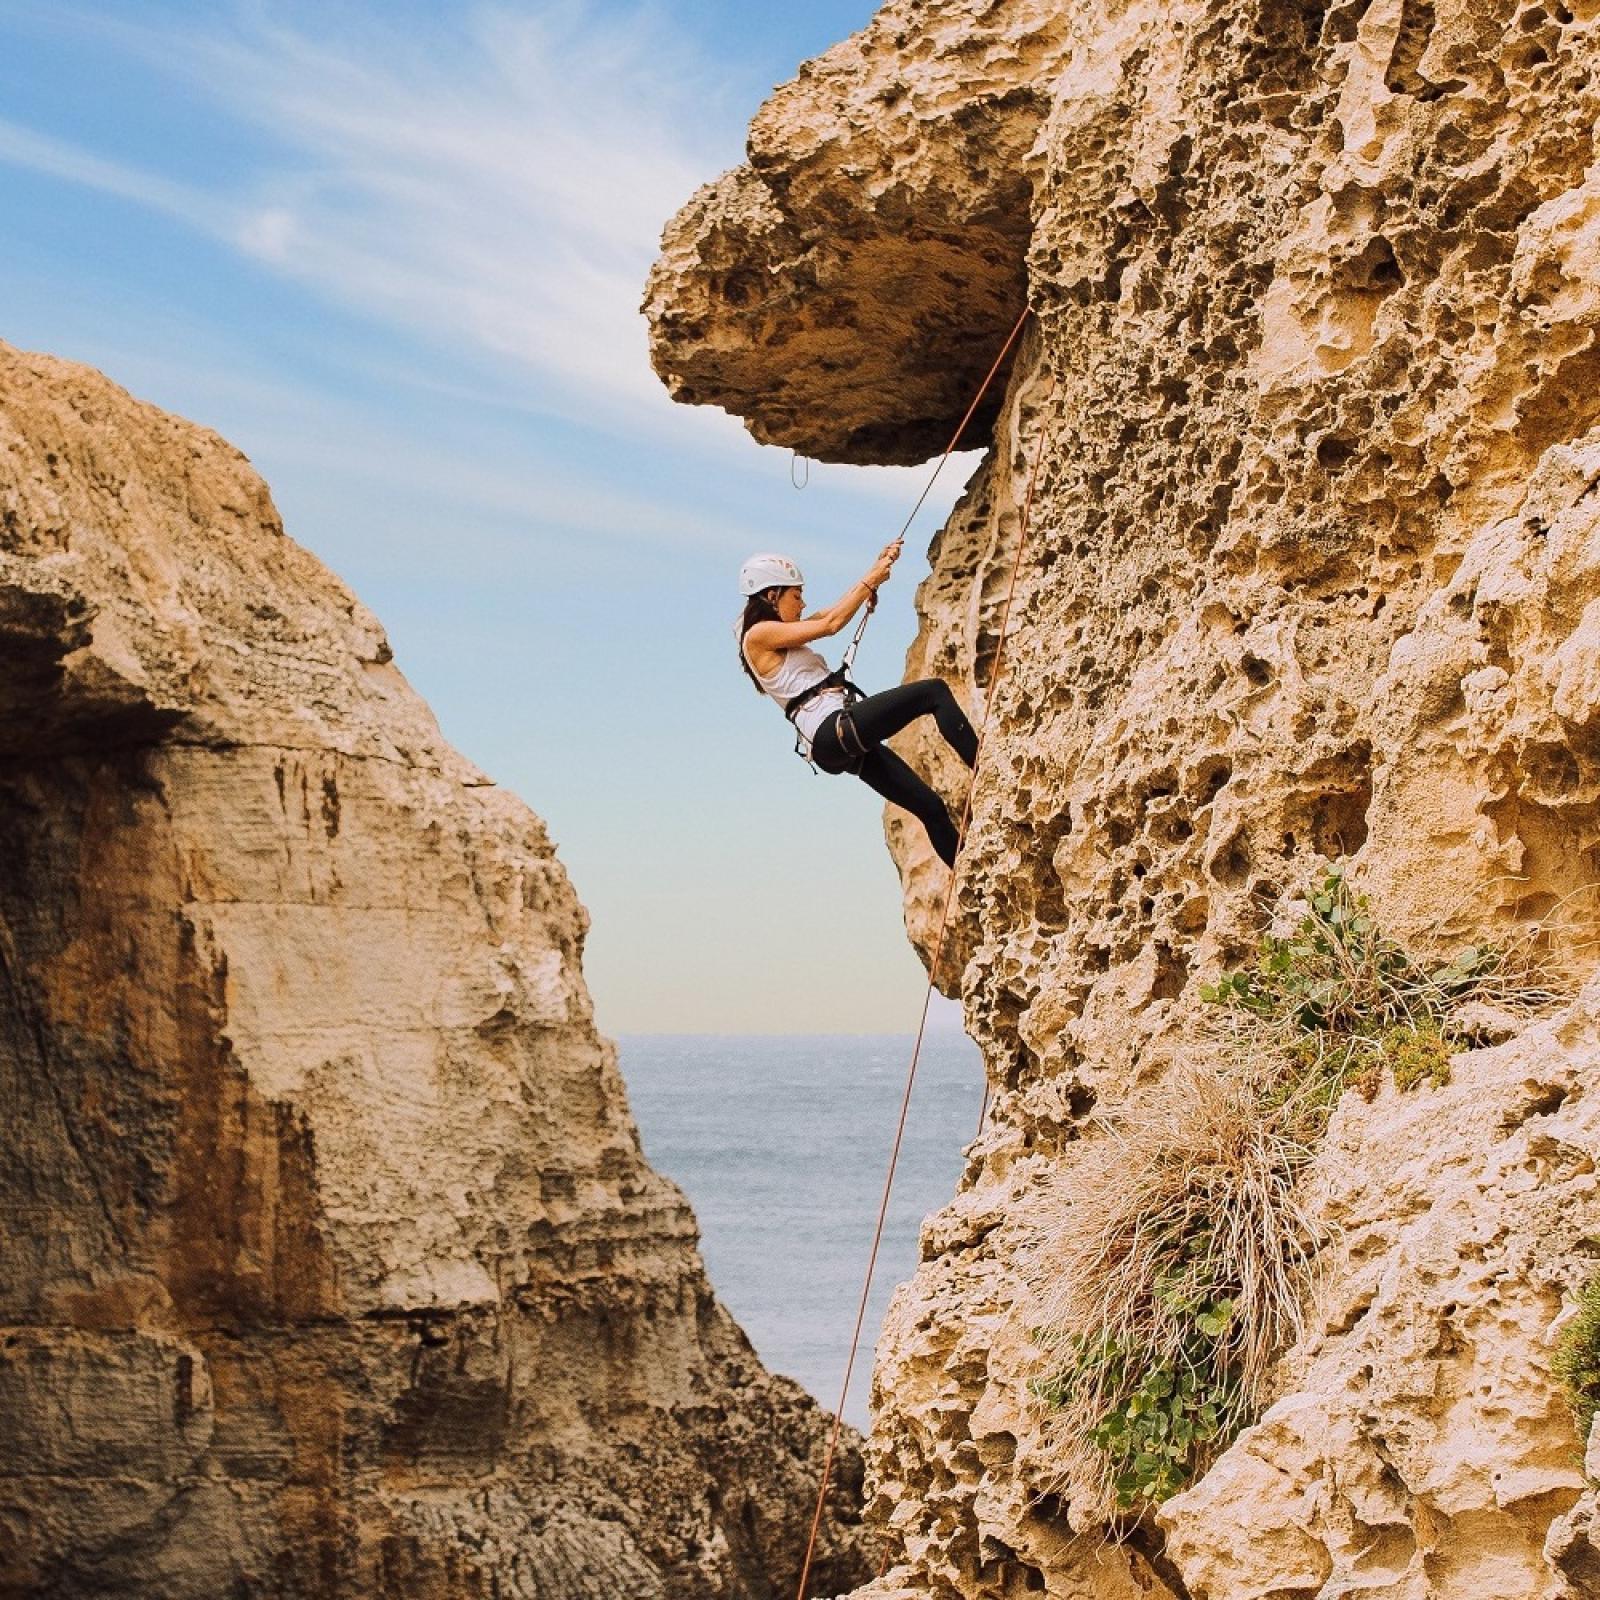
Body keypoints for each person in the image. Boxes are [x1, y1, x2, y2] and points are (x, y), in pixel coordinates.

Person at [736, 543, 979, 868]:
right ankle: (983, 766)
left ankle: (970, 881)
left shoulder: (779, 635)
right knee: (933, 692)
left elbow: (826, 614)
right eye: (796, 595)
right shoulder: (758, 635)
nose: (803, 603)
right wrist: (871, 579)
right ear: (772, 596)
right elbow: (830, 624)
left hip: (835, 743)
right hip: (830, 729)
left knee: (931, 807)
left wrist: (873, 575)